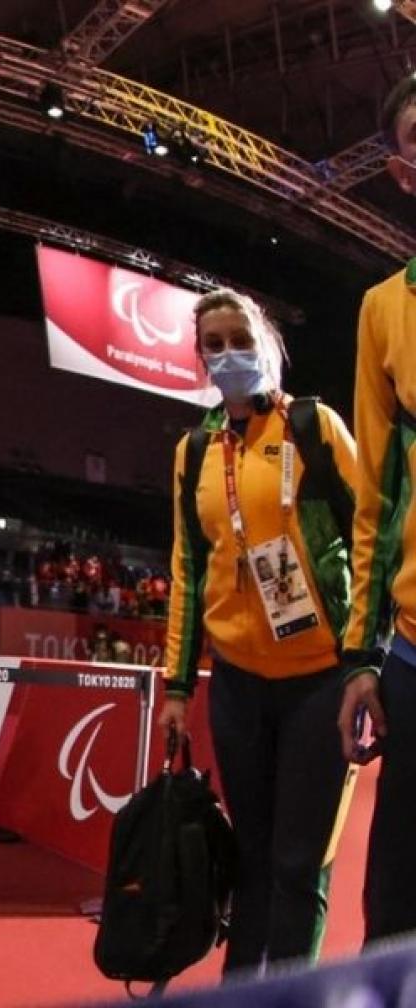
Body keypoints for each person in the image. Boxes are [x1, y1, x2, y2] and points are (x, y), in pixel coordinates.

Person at [157, 288, 357, 975]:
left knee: (299, 862)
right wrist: (178, 686)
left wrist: (366, 660)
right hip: (238, 684)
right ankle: (241, 990)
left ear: (265, 341)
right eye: (212, 344)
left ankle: (295, 992)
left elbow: (372, 535)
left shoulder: (314, 427)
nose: (226, 354)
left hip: (320, 680)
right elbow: (187, 567)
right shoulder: (194, 452)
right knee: (251, 856)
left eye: (238, 338)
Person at [337, 74, 416, 947]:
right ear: (401, 171)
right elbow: (376, 499)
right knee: (397, 909)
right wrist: (363, 657)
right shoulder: (383, 313)